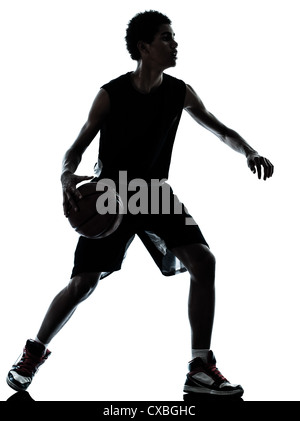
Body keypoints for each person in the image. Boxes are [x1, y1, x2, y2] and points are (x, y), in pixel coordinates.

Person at [7, 10, 273, 398]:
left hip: (152, 192)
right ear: (144, 47)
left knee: (204, 260)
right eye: (166, 37)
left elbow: (220, 129)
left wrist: (248, 151)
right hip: (111, 195)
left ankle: (200, 366)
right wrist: (67, 176)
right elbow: (74, 149)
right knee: (82, 283)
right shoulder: (111, 94)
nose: (175, 43)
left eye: (173, 37)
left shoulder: (180, 91)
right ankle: (33, 352)